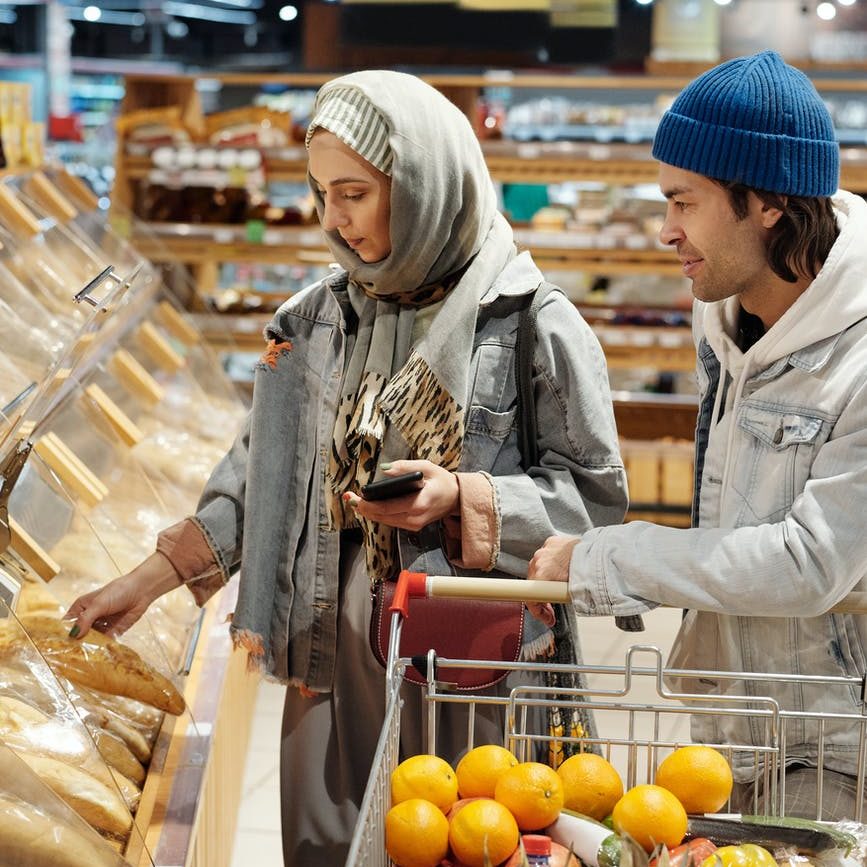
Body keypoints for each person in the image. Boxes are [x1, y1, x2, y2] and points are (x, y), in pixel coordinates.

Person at [67, 71, 628, 865]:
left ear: (425, 184)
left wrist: (462, 497)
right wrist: (149, 580)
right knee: (330, 844)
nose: (332, 218)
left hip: (470, 670)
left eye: (354, 192)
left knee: (468, 844)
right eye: (321, 192)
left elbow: (595, 507)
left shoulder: (530, 324)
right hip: (332, 662)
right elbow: (257, 476)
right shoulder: (317, 320)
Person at [528, 50, 867, 821]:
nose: (664, 230)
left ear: (767, 202)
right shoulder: (724, 316)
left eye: (683, 203)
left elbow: (809, 563)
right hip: (729, 726)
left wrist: (607, 554)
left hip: (834, 742)